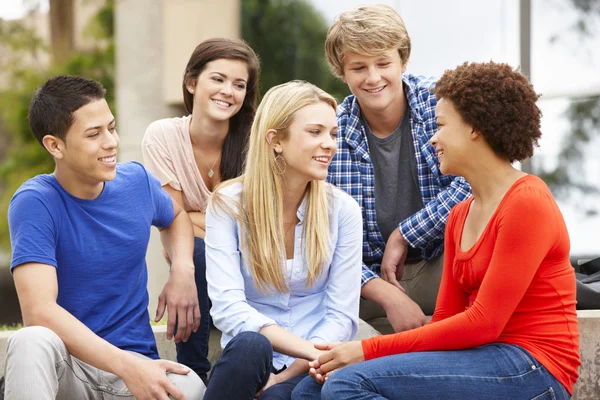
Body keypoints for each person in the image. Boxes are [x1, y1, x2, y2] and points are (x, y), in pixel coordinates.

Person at [294, 61, 581, 400]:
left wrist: (365, 350)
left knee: (347, 383)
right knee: (311, 390)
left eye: (442, 125)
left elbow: (483, 323)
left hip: (535, 368)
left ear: (474, 128)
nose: (434, 138)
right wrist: (359, 355)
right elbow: (446, 320)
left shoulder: (527, 202)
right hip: (481, 359)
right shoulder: (459, 216)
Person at [5, 76, 205, 400]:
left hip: (135, 372)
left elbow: (177, 216)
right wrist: (126, 365)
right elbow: (39, 312)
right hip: (72, 371)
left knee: (192, 386)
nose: (111, 142)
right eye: (94, 134)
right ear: (55, 145)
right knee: (30, 341)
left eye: (111, 127)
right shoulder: (35, 201)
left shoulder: (136, 181)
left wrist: (182, 269)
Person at [202, 80, 362, 399]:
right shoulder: (229, 204)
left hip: (310, 367)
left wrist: (290, 371)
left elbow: (341, 316)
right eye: (315, 132)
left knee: (280, 396)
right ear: (275, 140)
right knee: (251, 345)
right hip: (248, 360)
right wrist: (304, 350)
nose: (329, 143)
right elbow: (228, 308)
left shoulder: (343, 210)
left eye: (332, 133)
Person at [324, 4, 472, 333]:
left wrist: (405, 234)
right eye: (359, 67)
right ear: (342, 72)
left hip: (446, 263)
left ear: (402, 61)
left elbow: (476, 181)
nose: (373, 77)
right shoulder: (331, 135)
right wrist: (390, 297)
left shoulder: (440, 103)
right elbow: (324, 242)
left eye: (383, 63)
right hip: (372, 284)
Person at [141, 37, 260, 383]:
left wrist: (190, 219)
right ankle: (193, 373)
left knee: (196, 248)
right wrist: (193, 228)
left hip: (254, 260)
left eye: (239, 85)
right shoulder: (162, 136)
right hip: (198, 259)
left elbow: (254, 229)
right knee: (194, 252)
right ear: (192, 83)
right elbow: (169, 220)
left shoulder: (255, 139)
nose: (228, 91)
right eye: (218, 79)